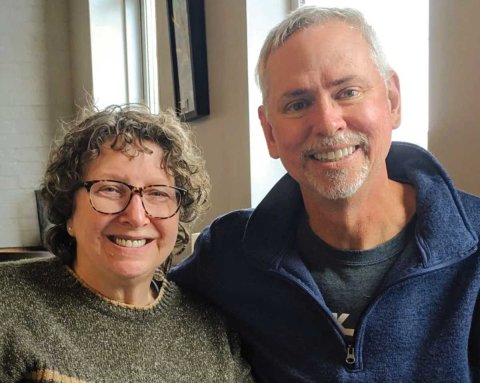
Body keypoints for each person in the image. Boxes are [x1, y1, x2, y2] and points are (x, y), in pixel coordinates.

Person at [170, 6, 480, 382]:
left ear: (392, 100)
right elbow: (138, 308)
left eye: (347, 92)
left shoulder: (473, 251)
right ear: (270, 132)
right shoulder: (230, 254)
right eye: (298, 104)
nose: (328, 122)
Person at [0, 105, 253, 382]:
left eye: (158, 193)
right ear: (68, 210)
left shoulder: (211, 328)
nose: (135, 216)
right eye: (110, 188)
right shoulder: (10, 303)